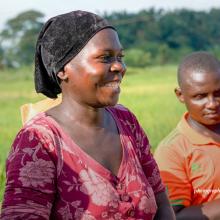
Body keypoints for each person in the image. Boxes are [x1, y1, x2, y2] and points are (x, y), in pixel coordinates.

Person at [1, 10, 175, 219]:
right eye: (105, 57)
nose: (120, 66)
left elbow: (161, 202)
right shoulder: (39, 142)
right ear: (63, 69)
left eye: (120, 56)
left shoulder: (126, 121)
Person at [154, 51, 220, 220]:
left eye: (218, 94)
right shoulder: (172, 151)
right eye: (200, 96)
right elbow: (173, 216)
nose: (212, 104)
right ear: (180, 95)